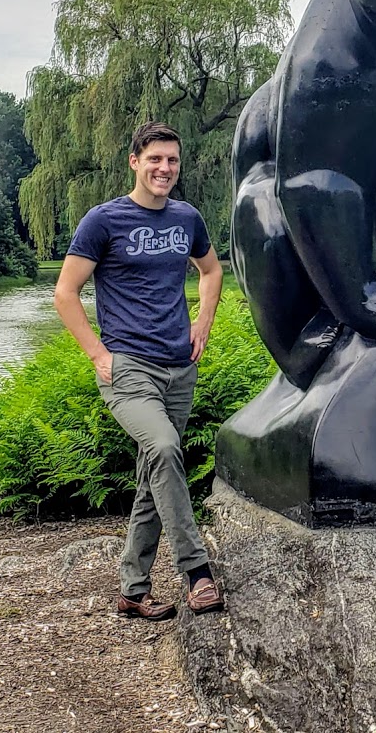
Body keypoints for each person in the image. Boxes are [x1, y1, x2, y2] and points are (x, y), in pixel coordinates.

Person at [54, 121, 225, 620]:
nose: (164, 169)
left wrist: (203, 322)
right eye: (155, 159)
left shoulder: (186, 218)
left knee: (156, 474)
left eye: (172, 160)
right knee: (166, 447)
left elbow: (211, 270)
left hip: (180, 367)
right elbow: (65, 294)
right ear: (135, 161)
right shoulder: (103, 222)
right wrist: (97, 354)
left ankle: (132, 589)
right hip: (128, 369)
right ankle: (198, 572)